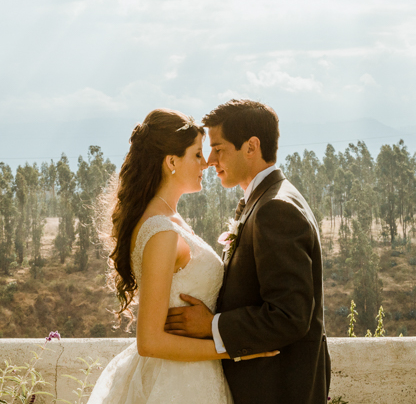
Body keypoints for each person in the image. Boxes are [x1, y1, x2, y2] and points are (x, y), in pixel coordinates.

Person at [87, 108, 275, 404]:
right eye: (197, 155)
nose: (207, 163)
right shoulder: (161, 232)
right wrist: (233, 347)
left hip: (195, 376)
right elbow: (149, 342)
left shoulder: (170, 219)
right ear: (172, 162)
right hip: (177, 383)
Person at [165, 99, 331, 404]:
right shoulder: (266, 200)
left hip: (278, 392)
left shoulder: (276, 209)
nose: (211, 160)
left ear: (251, 146)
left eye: (219, 148)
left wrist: (212, 325)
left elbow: (289, 316)